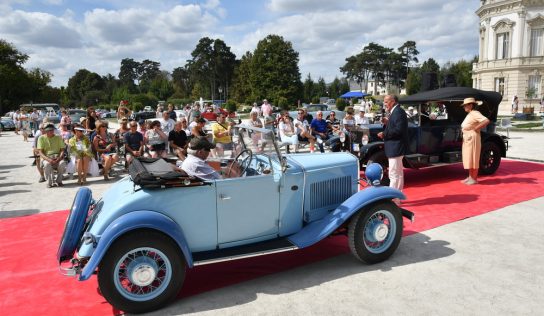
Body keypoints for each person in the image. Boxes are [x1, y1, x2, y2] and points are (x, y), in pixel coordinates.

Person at [377, 94, 408, 202]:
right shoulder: (396, 112)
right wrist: (387, 122)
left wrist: (384, 134)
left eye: (386, 102)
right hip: (396, 147)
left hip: (396, 147)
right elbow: (396, 127)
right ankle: (397, 197)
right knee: (398, 173)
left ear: (393, 101)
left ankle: (391, 199)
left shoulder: (398, 112)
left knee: (394, 174)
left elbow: (399, 130)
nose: (384, 104)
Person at [460, 97, 490, 185]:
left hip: (472, 138)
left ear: (471, 105)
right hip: (468, 138)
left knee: (473, 157)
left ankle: (474, 178)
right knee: (469, 157)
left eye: (465, 105)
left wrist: (476, 128)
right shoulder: (470, 114)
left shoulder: (475, 113)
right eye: (464, 105)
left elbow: (486, 120)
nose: (464, 107)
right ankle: (470, 177)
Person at [37, 123, 67, 187]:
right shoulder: (41, 138)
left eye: (52, 130)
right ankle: (49, 182)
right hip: (47, 157)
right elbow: (40, 152)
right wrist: (48, 159)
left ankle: (59, 181)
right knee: (47, 164)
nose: (51, 131)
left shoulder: (58, 137)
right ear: (45, 131)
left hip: (57, 156)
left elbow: (62, 150)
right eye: (49, 130)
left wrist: (59, 158)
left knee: (62, 163)